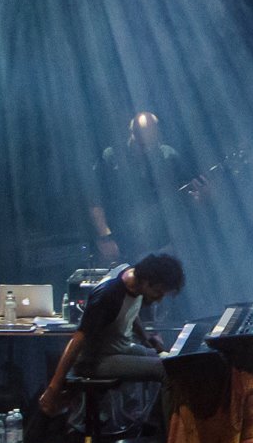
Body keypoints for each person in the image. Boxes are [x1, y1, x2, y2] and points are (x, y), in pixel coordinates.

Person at [37, 254, 185, 422]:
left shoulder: (131, 278)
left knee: (170, 361)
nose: (159, 299)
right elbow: (78, 339)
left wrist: (146, 339)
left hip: (118, 349)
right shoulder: (108, 295)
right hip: (96, 361)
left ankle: (150, 425)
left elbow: (130, 310)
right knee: (165, 370)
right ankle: (169, 440)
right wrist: (54, 388)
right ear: (146, 281)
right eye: (158, 292)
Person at [90, 113, 195, 265]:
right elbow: (95, 201)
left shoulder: (168, 156)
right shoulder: (111, 157)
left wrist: (201, 195)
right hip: (123, 245)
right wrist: (105, 237)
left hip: (164, 244)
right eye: (141, 135)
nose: (146, 141)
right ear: (132, 132)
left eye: (151, 135)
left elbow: (187, 193)